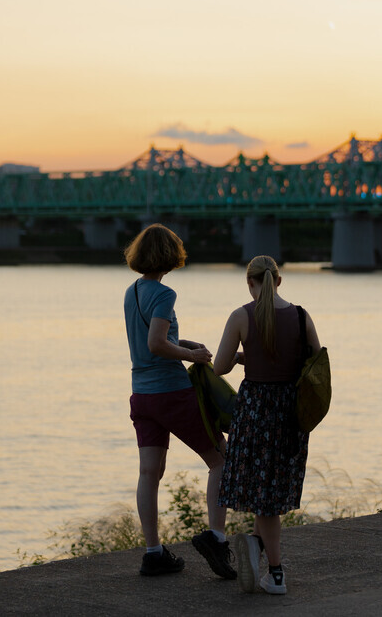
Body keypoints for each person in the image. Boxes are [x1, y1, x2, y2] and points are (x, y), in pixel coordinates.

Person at [123, 223, 236, 579]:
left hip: (142, 395)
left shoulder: (132, 291)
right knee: (220, 460)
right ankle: (216, 538)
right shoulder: (164, 293)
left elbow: (154, 340)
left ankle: (153, 552)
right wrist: (192, 359)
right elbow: (158, 344)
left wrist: (185, 345)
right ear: (170, 256)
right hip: (171, 393)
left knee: (149, 472)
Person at [213, 255, 321, 595]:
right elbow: (316, 363)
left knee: (263, 499)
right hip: (289, 415)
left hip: (255, 413)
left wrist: (245, 355)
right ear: (278, 280)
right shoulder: (303, 317)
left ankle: (276, 574)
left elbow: (219, 368)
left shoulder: (241, 316)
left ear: (250, 283)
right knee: (271, 495)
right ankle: (258, 550)